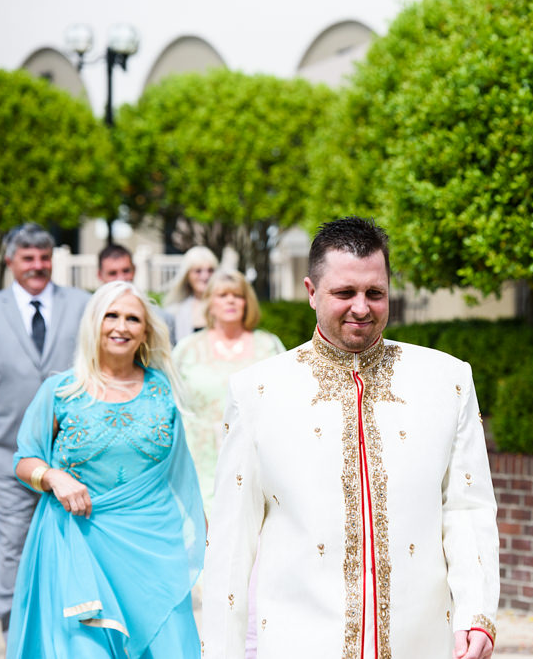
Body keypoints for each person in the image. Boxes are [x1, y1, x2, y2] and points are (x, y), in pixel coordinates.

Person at [203, 217, 499, 659]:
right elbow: (231, 542)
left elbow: (467, 509)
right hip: (300, 644)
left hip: (418, 643)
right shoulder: (258, 392)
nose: (361, 307)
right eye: (345, 293)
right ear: (310, 291)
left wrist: (477, 613)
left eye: (375, 293)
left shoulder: (447, 381)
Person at [7, 281, 206, 658]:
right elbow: (24, 459)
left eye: (133, 319)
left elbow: (182, 474)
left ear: (145, 331)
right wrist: (54, 477)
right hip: (78, 541)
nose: (121, 326)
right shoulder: (61, 390)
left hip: (153, 547)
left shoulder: (163, 390)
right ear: (93, 323)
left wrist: (205, 538)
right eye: (111, 316)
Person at [0, 223, 89, 635]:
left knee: (71, 542)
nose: (37, 266)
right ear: (11, 262)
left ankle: (66, 633)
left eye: (44, 258)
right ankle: (14, 632)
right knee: (13, 545)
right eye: (28, 258)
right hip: (6, 454)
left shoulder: (81, 304)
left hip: (74, 454)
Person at [172, 268, 285, 513]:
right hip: (201, 464)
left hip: (256, 461)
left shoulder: (269, 345)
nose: (231, 300)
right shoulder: (186, 349)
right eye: (222, 295)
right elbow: (172, 405)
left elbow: (284, 404)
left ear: (248, 302)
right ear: (209, 303)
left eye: (238, 295)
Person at [97, 243, 176, 345]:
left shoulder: (160, 318)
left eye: (126, 271)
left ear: (134, 270)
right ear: (100, 275)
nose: (121, 278)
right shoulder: (88, 315)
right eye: (112, 273)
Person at [163, 245, 219, 344]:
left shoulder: (225, 306)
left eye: (210, 270)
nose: (205, 276)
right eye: (198, 271)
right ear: (187, 275)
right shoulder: (174, 312)